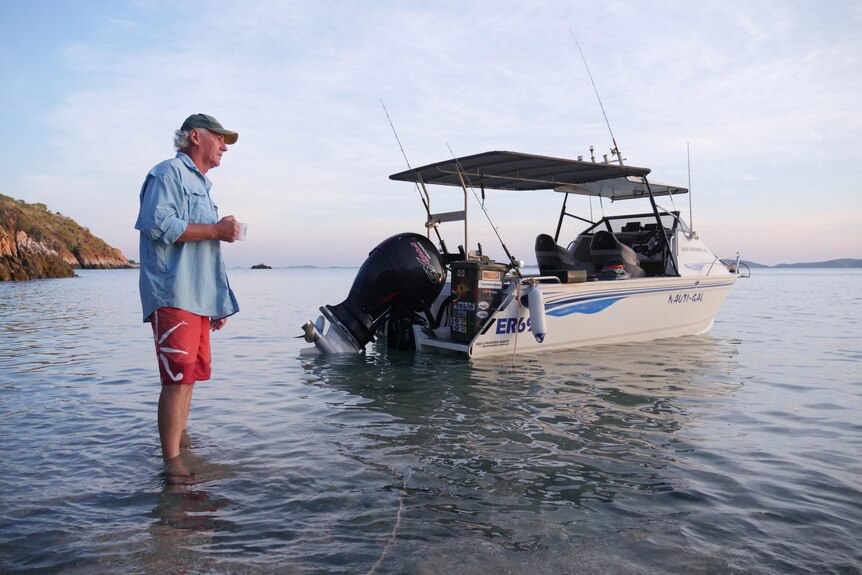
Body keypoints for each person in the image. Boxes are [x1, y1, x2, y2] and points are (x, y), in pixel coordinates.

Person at [135, 113, 241, 483]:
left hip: (198, 297)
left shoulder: (203, 186)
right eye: (220, 137)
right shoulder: (167, 174)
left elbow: (206, 252)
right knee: (176, 380)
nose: (225, 145)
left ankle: (177, 443)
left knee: (190, 377)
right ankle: (171, 464)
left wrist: (219, 300)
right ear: (196, 137)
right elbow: (159, 225)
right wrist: (215, 228)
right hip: (174, 293)